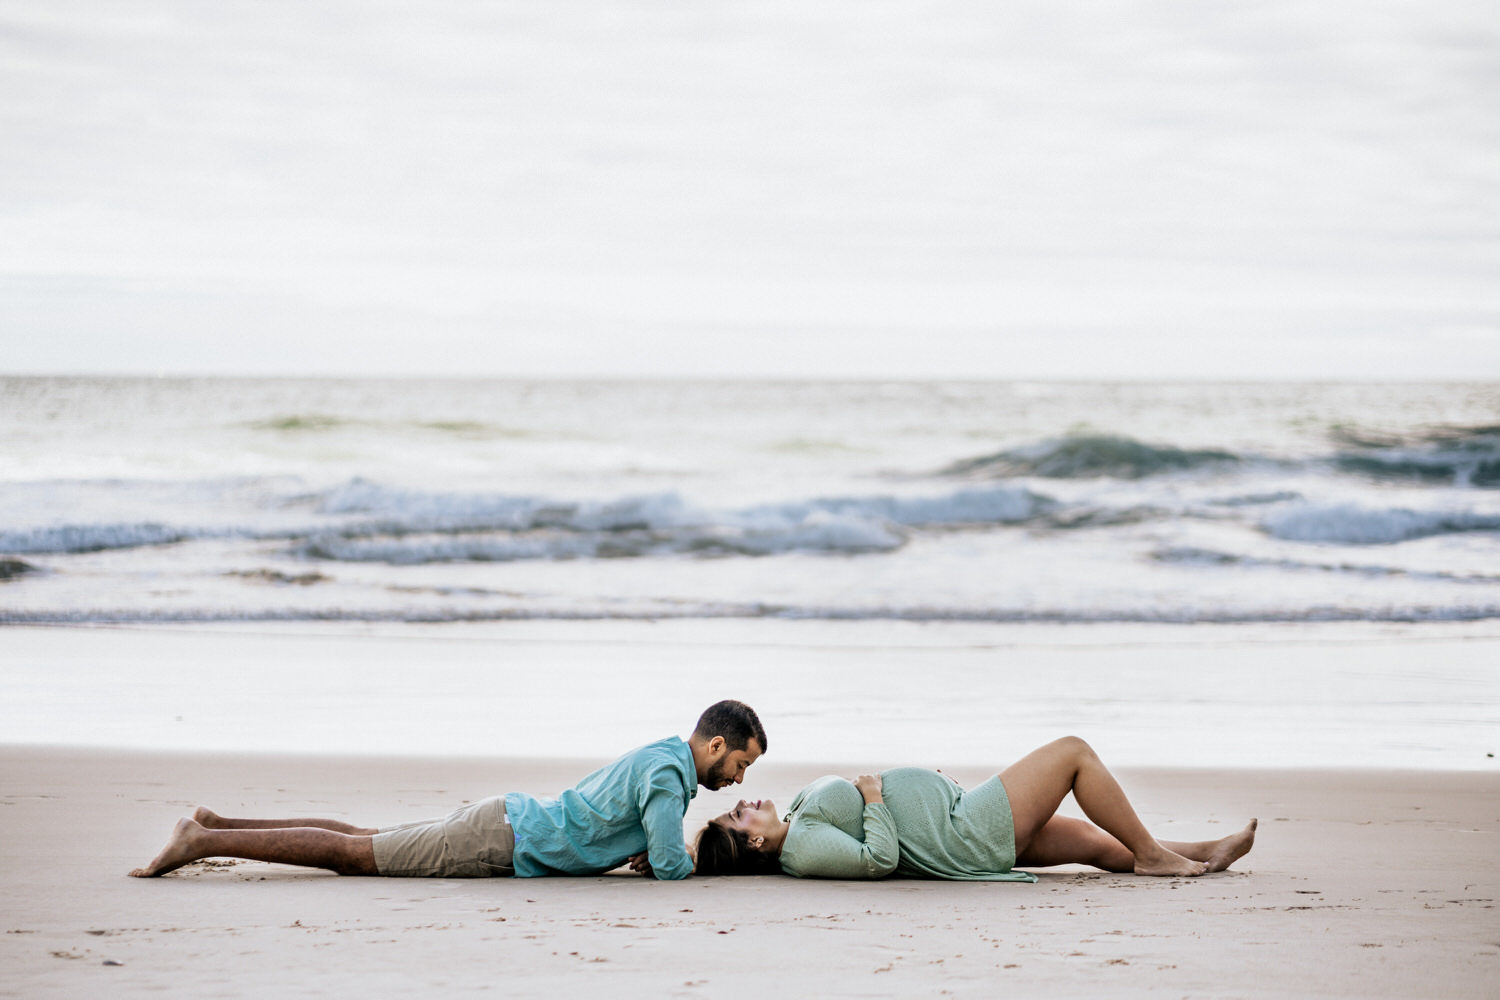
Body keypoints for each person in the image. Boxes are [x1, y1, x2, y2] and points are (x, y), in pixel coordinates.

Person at [130, 700, 766, 881]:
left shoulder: (661, 754)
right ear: (715, 746)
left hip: (508, 820)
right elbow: (669, 867)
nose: (739, 780)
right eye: (741, 764)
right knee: (357, 855)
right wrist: (682, 858)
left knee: (365, 836)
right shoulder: (669, 778)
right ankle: (202, 838)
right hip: (502, 840)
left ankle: (219, 824)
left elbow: (633, 833)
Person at [694, 736, 1255, 880]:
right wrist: (872, 797)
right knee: (1072, 754)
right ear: (757, 844)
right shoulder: (806, 849)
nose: (744, 801)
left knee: (1097, 845)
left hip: (958, 818)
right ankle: (1159, 858)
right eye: (739, 818)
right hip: (968, 832)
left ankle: (1202, 853)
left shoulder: (797, 824)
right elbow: (878, 859)